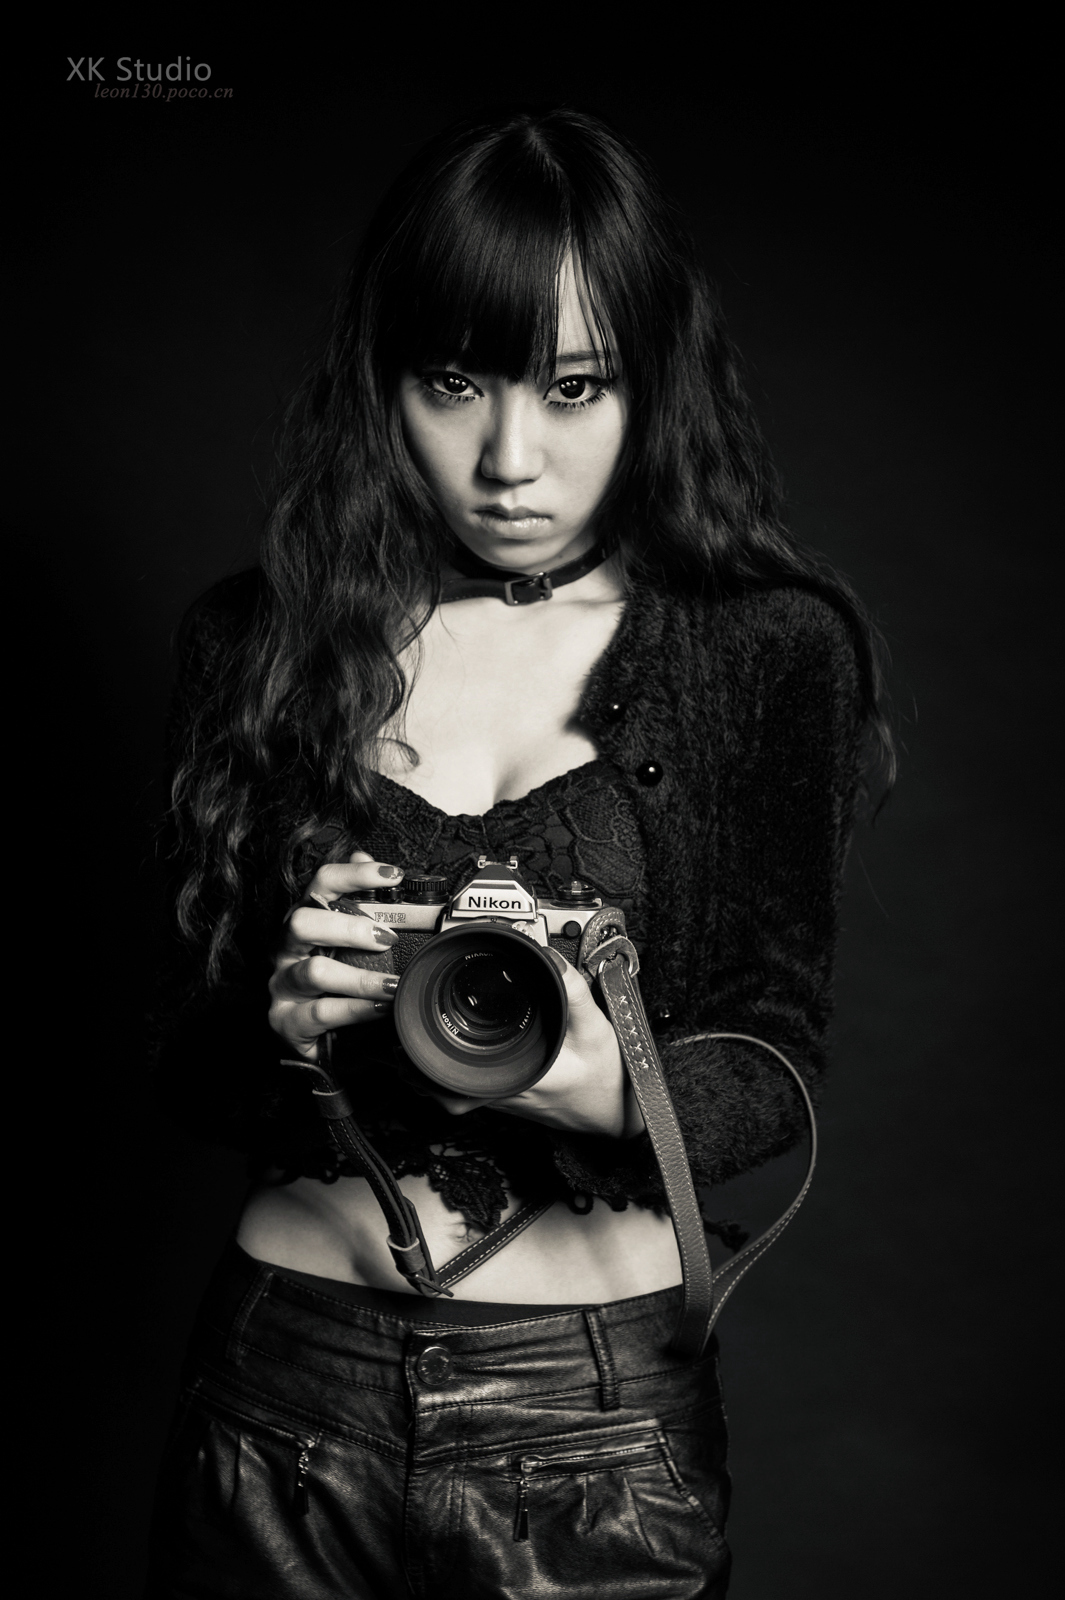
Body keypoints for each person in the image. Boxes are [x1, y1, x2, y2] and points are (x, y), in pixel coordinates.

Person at [145, 105, 890, 1599]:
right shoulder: (259, 644)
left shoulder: (762, 651)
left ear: (651, 384)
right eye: (453, 383)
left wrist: (610, 1080)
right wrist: (280, 1016)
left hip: (594, 1415)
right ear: (384, 383)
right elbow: (186, 1072)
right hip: (281, 1386)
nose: (508, 458)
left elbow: (776, 1054)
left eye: (573, 388)